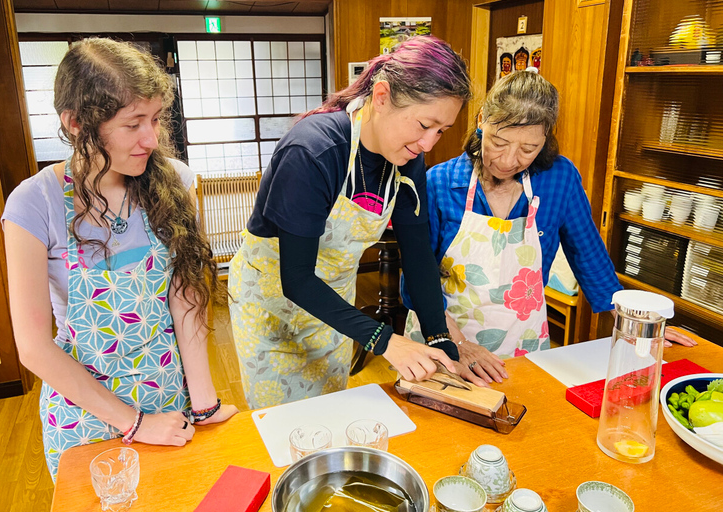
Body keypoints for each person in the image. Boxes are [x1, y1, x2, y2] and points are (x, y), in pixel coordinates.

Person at [2, 38, 237, 480]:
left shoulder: (175, 181)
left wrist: (204, 404)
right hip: (86, 412)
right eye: (133, 124)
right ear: (75, 123)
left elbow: (186, 297)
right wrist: (132, 423)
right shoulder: (35, 204)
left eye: (154, 119)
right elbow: (33, 347)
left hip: (168, 392)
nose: (151, 139)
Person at [402, 69, 695, 387]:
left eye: (528, 149)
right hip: (443, 334)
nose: (508, 160)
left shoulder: (559, 178)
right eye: (498, 142)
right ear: (481, 120)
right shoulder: (440, 183)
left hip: (521, 337)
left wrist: (636, 322)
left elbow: (588, 252)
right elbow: (419, 278)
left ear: (545, 140)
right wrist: (455, 343)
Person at [229, 36, 473, 409]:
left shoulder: (407, 157)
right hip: (272, 307)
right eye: (425, 124)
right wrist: (387, 340)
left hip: (333, 310)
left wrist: (439, 336)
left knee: (329, 413)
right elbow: (296, 279)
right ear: (381, 97)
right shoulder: (313, 151)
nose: (429, 144)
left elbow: (417, 251)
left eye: (441, 131)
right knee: (283, 427)